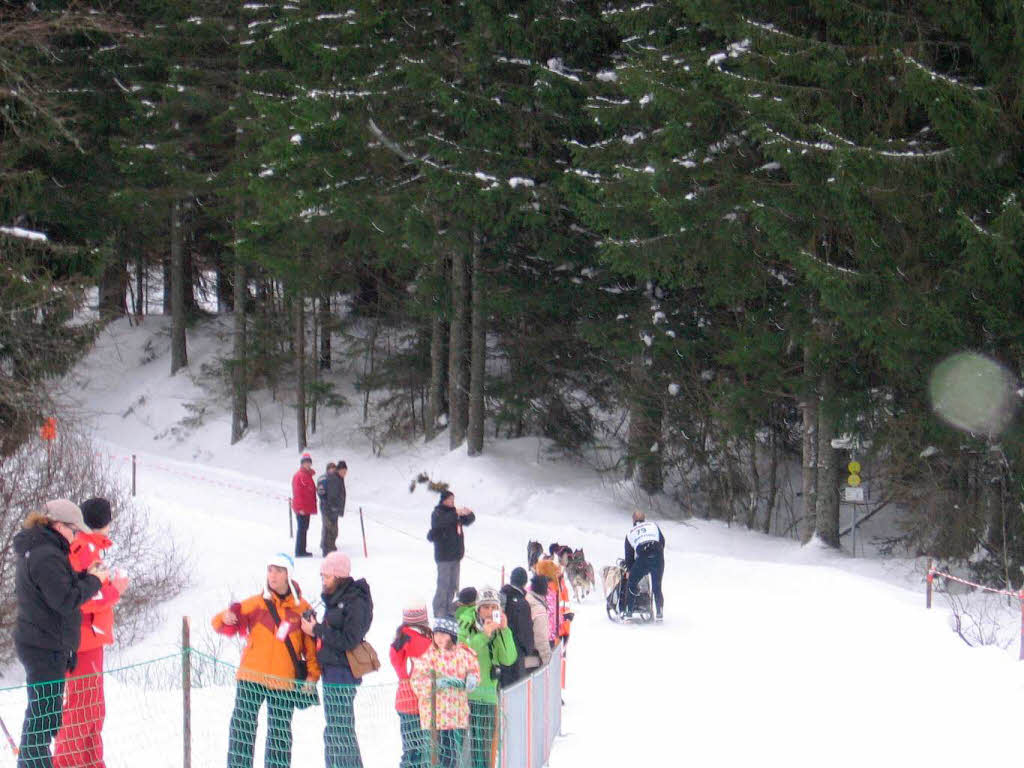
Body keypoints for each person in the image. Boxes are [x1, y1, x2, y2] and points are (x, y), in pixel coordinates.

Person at [14, 500, 106, 768]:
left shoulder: (45, 550)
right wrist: (94, 581)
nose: (76, 536)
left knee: (47, 715)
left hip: (44, 642)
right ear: (58, 525)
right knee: (42, 719)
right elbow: (65, 599)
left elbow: (60, 586)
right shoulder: (46, 554)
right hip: (43, 645)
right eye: (73, 530)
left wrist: (85, 576)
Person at [213, 553, 320, 768]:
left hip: (283, 680)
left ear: (288, 574)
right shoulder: (257, 602)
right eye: (270, 569)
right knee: (242, 730)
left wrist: (312, 676)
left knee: (279, 737)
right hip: (251, 676)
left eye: (279, 570)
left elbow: (312, 648)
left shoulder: (303, 609)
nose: (273, 575)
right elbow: (219, 623)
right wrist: (225, 618)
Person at [53, 498, 129, 768]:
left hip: (90, 638)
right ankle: (65, 763)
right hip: (83, 640)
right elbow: (81, 597)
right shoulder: (83, 549)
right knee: (82, 709)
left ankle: (91, 762)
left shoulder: (89, 547)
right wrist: (115, 590)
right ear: (106, 523)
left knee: (93, 710)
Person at [300, 552, 372, 768]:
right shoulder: (337, 600)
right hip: (332, 671)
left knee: (338, 730)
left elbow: (350, 639)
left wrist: (317, 630)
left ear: (339, 576)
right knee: (337, 729)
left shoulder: (355, 600)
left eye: (327, 577)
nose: (324, 581)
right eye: (322, 576)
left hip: (343, 673)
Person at [409, 617, 480, 768]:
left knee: (452, 757)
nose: (439, 638)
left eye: (444, 634)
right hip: (434, 717)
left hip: (456, 716)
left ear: (452, 635)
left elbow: (474, 669)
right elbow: (416, 681)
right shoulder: (428, 657)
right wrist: (433, 685)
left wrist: (472, 679)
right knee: (435, 757)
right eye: (437, 634)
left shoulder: (464, 655)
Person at [460, 587, 517, 768]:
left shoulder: (498, 628)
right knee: (464, 749)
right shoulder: (466, 624)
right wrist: (484, 635)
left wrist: (505, 630)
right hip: (466, 697)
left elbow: (508, 658)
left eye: (494, 607)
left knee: (485, 750)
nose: (490, 611)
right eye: (486, 607)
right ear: (478, 609)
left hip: (489, 697)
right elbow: (464, 654)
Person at [389, 601, 432, 768]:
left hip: (404, 700)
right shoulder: (419, 640)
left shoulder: (402, 637)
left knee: (411, 749)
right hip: (416, 702)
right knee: (417, 750)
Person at [426, 491, 475, 619]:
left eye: (453, 499)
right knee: (443, 584)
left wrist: (468, 513)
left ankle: (448, 607)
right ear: (443, 500)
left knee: (453, 585)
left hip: (455, 556)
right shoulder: (438, 513)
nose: (452, 501)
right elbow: (443, 522)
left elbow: (469, 520)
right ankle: (439, 610)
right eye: (449, 499)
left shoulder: (454, 513)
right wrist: (456, 513)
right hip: (444, 557)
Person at [624, 510, 666, 621]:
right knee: (657, 585)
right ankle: (659, 611)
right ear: (644, 518)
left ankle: (628, 611)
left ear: (633, 520)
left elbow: (629, 556)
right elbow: (662, 541)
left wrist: (631, 569)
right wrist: (658, 554)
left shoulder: (630, 533)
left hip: (643, 557)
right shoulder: (653, 525)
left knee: (632, 582)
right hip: (657, 555)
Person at [497, 569, 533, 686]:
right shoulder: (522, 603)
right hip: (516, 653)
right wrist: (528, 649)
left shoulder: (499, 597)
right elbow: (525, 632)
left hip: (498, 649)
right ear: (524, 583)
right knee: (515, 688)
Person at [291, 453, 318, 558]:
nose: (307, 464)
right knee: (302, 529)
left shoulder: (307, 475)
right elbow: (297, 493)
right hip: (302, 508)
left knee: (304, 528)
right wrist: (300, 508)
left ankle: (302, 549)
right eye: (305, 462)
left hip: (307, 507)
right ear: (302, 464)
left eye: (309, 462)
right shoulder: (299, 476)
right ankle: (299, 551)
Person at [524, 576, 552, 671]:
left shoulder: (526, 599)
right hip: (533, 661)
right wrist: (548, 661)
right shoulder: (538, 608)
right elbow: (541, 639)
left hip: (521, 659)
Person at [318, 461, 346, 556]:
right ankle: (327, 550)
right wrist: (332, 506)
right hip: (328, 508)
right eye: (331, 469)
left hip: (332, 509)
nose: (332, 470)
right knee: (328, 529)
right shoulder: (330, 479)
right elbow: (329, 495)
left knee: (333, 529)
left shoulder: (338, 478)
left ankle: (330, 547)